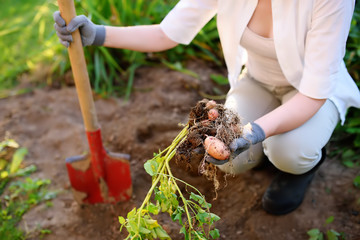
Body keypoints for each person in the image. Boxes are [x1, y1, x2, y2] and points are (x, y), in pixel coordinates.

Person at [54, 0, 360, 215]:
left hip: (309, 94)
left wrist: (254, 132)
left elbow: (312, 94)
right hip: (257, 81)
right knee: (228, 160)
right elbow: (166, 33)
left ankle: (301, 166)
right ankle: (268, 148)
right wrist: (98, 34)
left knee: (290, 152)